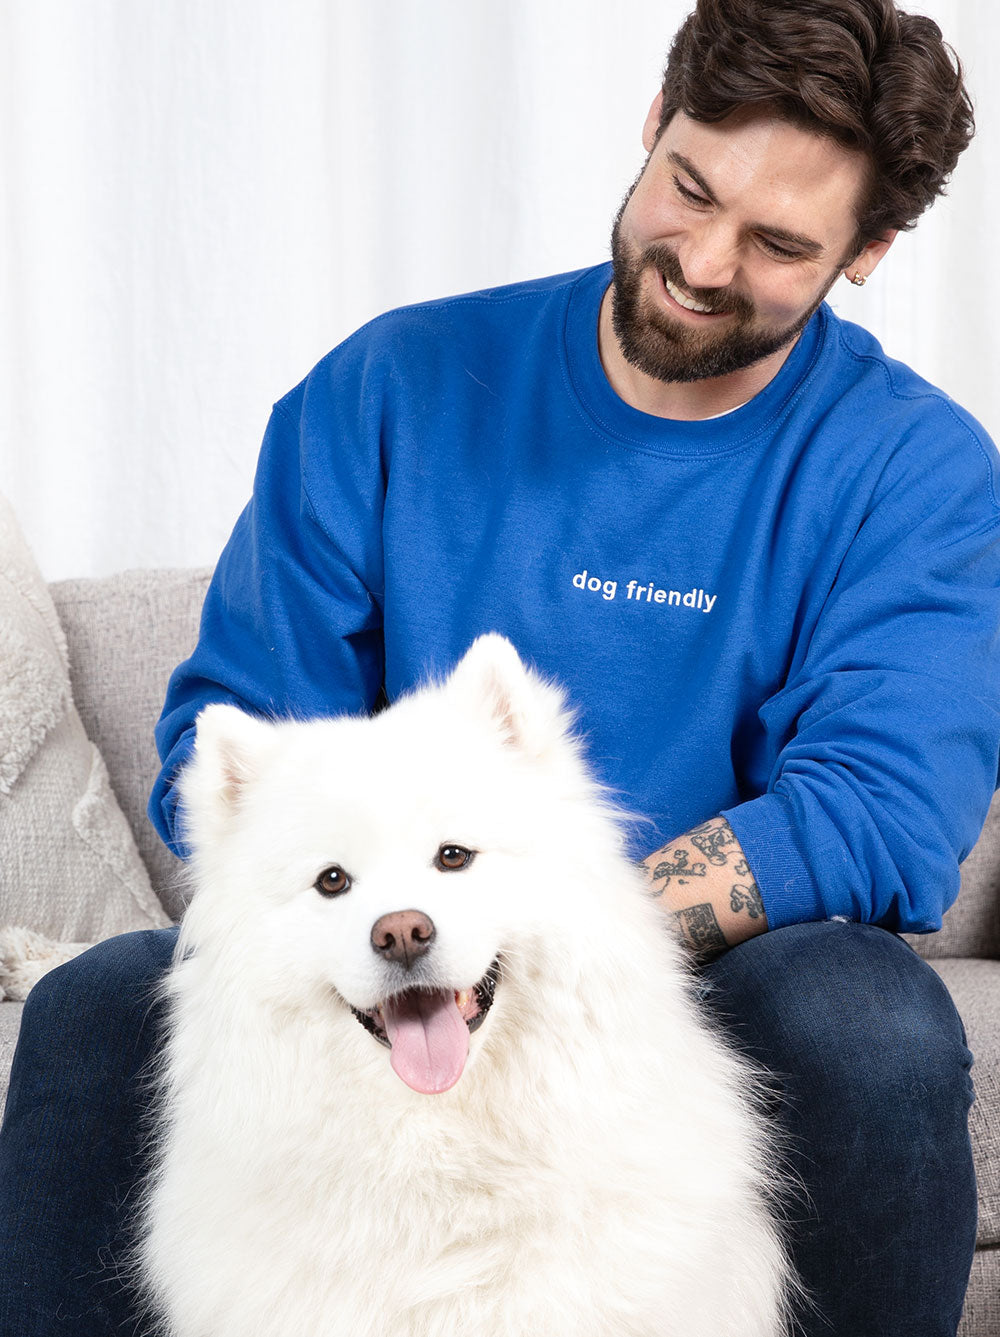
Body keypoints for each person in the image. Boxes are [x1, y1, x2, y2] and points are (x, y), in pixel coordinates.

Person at [1, 1, 995, 1333]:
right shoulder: (389, 390)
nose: (699, 259)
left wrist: (557, 919)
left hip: (710, 959)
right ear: (651, 123)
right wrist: (388, 915)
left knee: (868, 1024)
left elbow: (880, 811)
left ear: (868, 251)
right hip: (382, 915)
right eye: (688, 187)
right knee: (92, 1009)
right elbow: (228, 746)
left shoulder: (916, 473)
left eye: (776, 244)